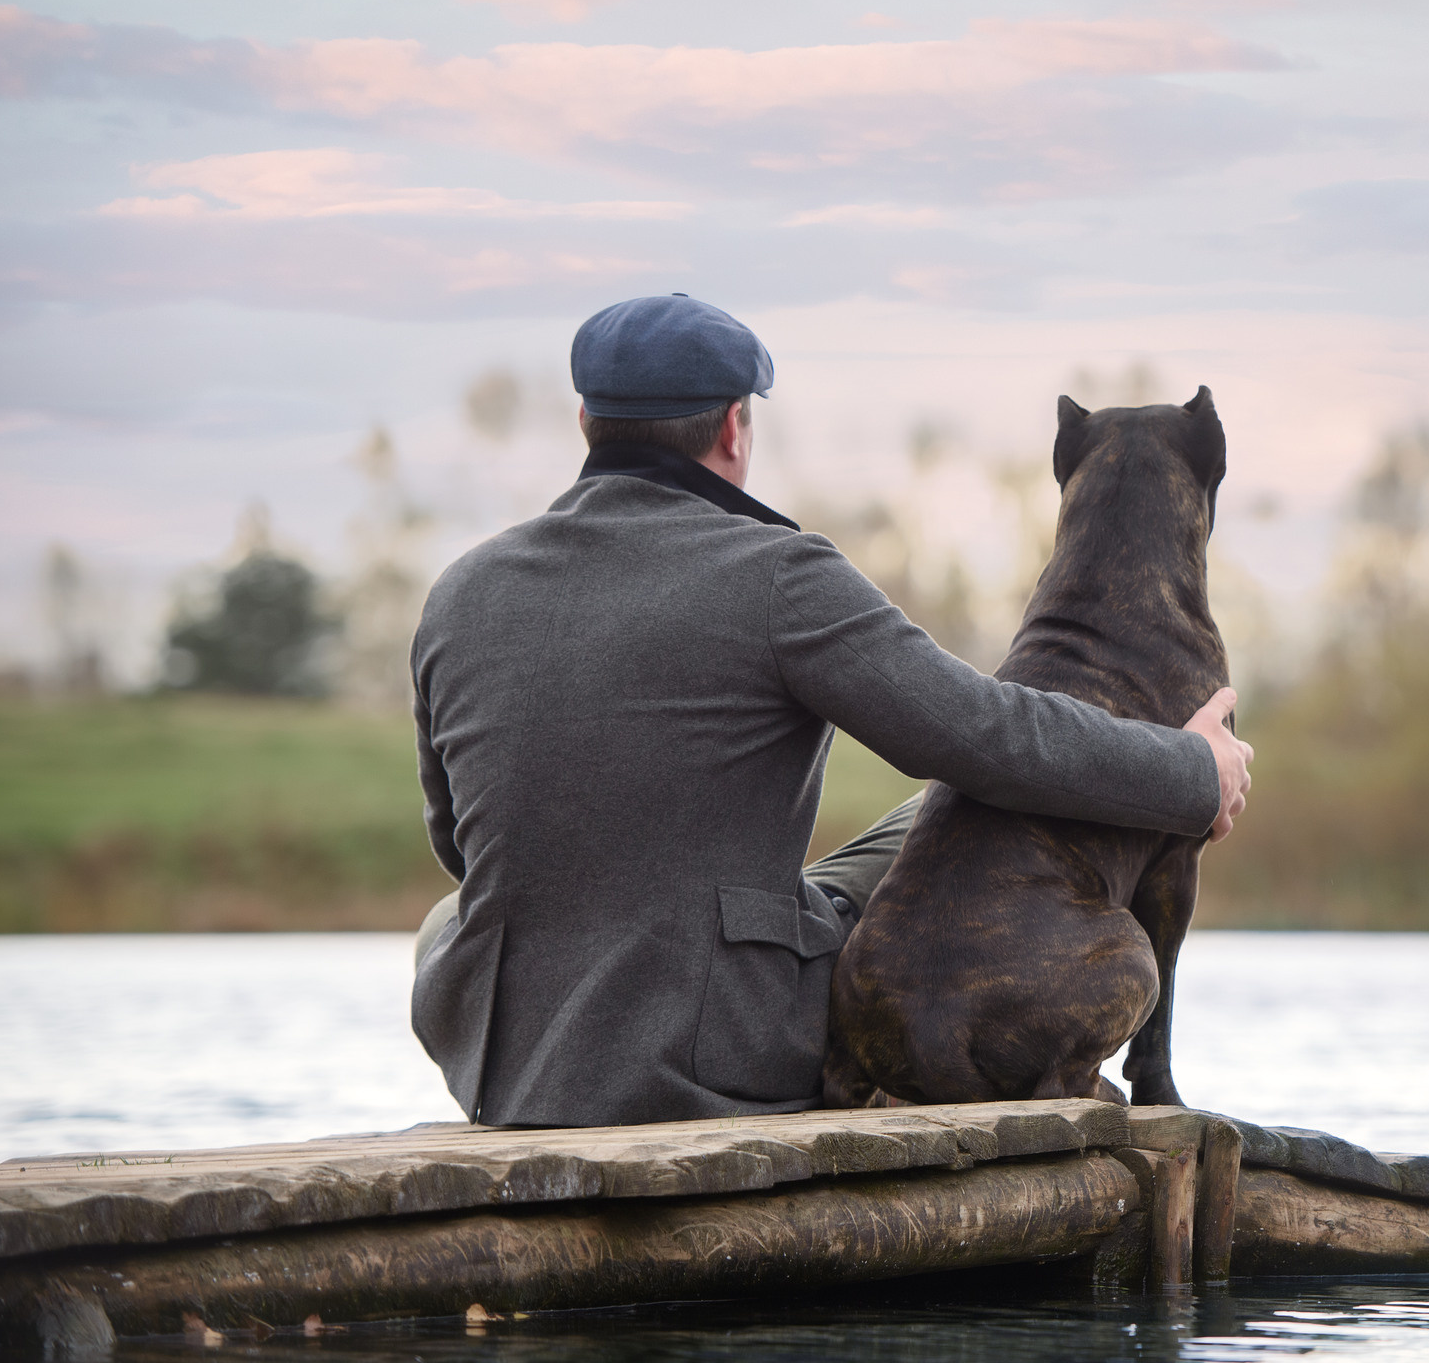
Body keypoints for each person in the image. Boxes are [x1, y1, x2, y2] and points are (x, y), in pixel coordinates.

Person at [408, 294, 1253, 1127]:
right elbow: (985, 735)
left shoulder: (460, 593)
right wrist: (1188, 770)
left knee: (459, 911)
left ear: (586, 418)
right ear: (735, 426)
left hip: (506, 1060)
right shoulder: (779, 575)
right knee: (961, 795)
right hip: (716, 1052)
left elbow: (459, 843)